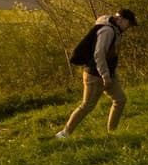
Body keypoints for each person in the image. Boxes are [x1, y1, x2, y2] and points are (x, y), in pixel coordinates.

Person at [56, 8, 138, 137]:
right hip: (95, 75)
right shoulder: (107, 31)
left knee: (120, 100)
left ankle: (112, 133)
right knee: (87, 106)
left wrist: (109, 74)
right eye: (129, 23)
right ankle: (64, 134)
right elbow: (99, 55)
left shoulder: (115, 30)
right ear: (122, 20)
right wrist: (105, 75)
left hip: (108, 73)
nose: (129, 27)